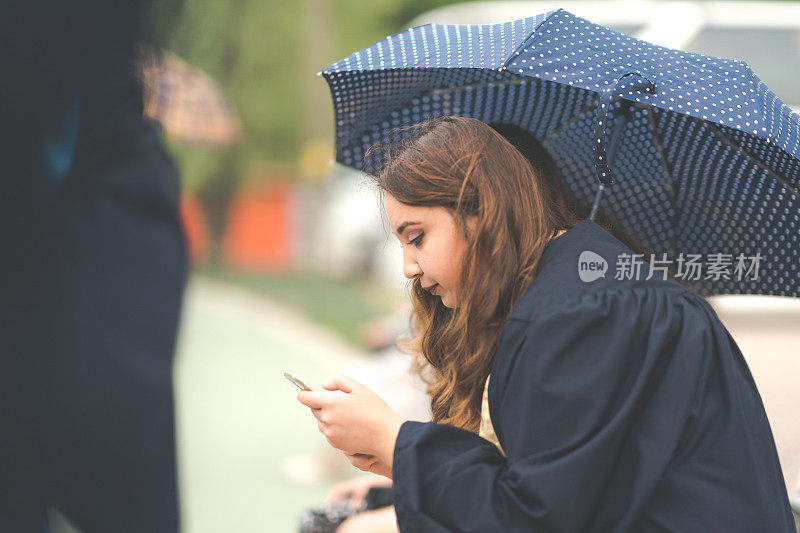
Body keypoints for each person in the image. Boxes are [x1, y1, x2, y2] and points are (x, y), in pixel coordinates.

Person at [297, 116, 796, 532]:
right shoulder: (577, 290)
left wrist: (394, 440)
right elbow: (560, 482)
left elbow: (537, 519)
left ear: (480, 212)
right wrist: (400, 480)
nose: (408, 266)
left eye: (417, 237)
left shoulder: (587, 312)